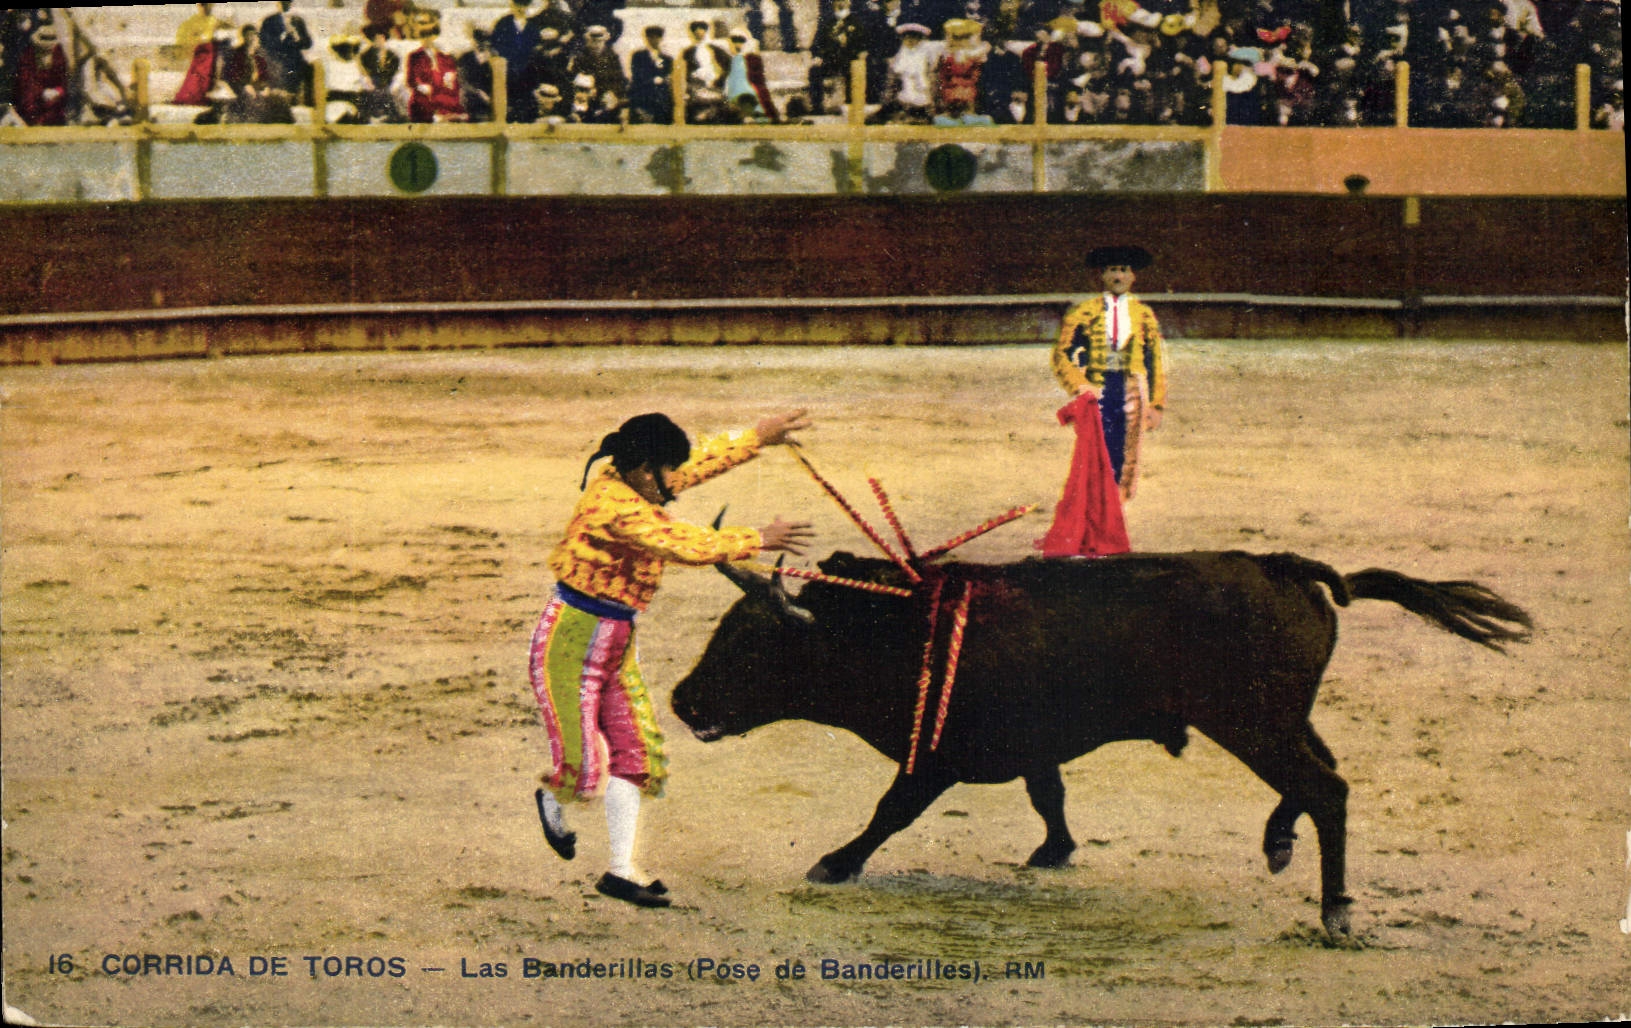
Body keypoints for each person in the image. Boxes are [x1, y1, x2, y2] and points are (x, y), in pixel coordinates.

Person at [530, 411, 815, 909]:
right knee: (582, 769)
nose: (673, 483)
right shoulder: (613, 507)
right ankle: (553, 797)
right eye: (665, 472)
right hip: (570, 642)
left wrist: (756, 438)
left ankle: (622, 870)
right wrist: (756, 539)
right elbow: (681, 544)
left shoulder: (636, 480)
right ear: (644, 469)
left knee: (637, 752)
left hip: (616, 640)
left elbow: (696, 464)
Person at [1050, 245, 1167, 503]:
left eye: (1124, 270)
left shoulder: (1144, 315)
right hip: (1098, 387)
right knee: (1096, 451)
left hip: (1131, 388)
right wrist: (1080, 385)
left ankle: (1117, 506)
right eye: (1112, 270)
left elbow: (1154, 362)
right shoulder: (1084, 312)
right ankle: (1097, 505)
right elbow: (1061, 355)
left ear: (1132, 276)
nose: (1118, 277)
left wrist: (1157, 404)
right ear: (1102, 275)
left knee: (1126, 452)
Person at [406, 12, 466, 122]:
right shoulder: (415, 56)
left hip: (442, 91)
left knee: (449, 99)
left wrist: (450, 77)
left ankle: (448, 116)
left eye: (430, 35)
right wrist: (421, 86)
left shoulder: (444, 56)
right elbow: (411, 80)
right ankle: (439, 117)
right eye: (423, 35)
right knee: (423, 102)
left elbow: (452, 75)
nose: (427, 39)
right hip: (425, 94)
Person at [627, 25, 674, 124]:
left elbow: (667, 74)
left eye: (657, 37)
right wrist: (654, 80)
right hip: (643, 91)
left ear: (661, 39)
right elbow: (637, 75)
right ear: (647, 38)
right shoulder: (638, 55)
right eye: (651, 37)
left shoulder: (666, 58)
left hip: (660, 95)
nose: (654, 40)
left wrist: (663, 79)